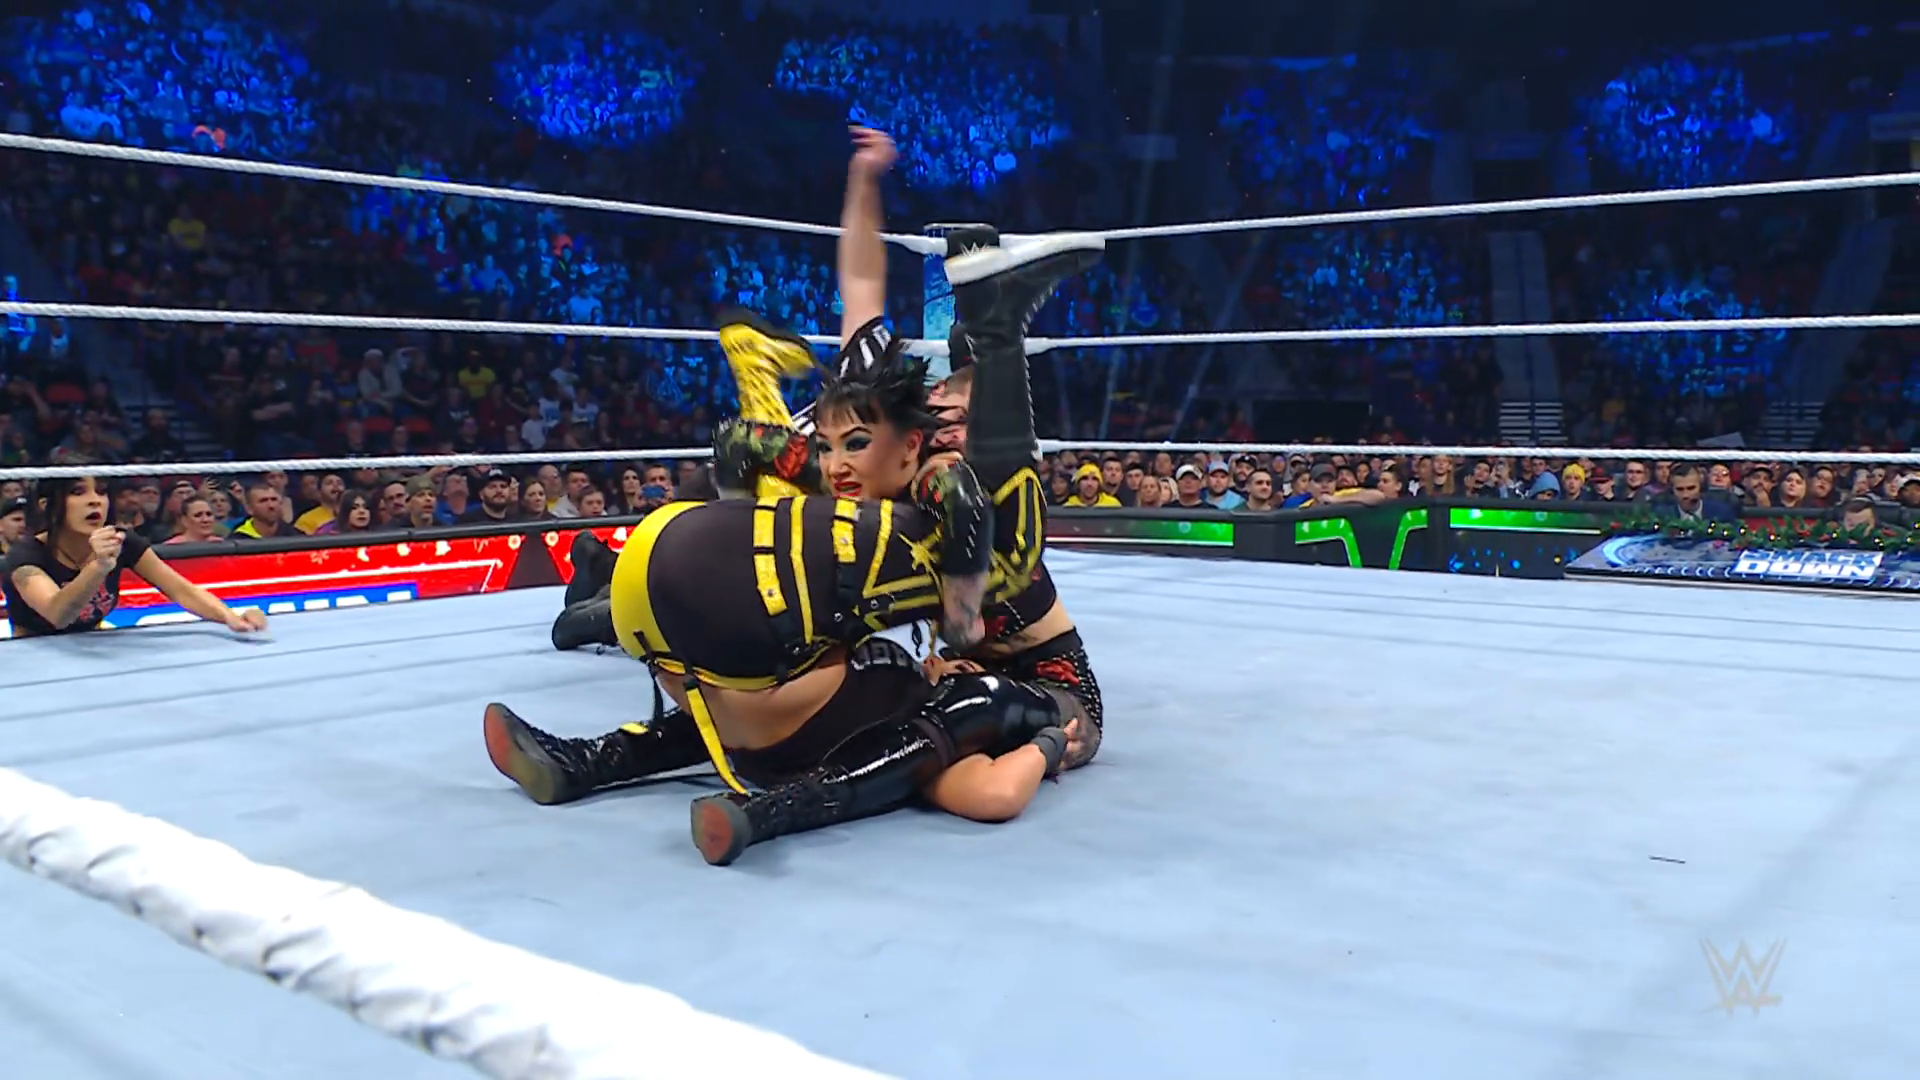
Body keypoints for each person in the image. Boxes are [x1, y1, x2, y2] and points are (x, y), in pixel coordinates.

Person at [490, 226, 1102, 865]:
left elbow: (987, 518)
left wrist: (953, 640)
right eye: (942, 406)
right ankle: (591, 758)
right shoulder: (872, 475)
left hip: (1049, 692)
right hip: (939, 671)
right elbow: (765, 451)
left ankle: (777, 809)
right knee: (773, 695)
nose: (947, 418)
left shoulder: (958, 493)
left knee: (958, 705)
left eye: (961, 413)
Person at [3, 477, 270, 638]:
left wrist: (229, 616)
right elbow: (58, 616)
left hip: (95, 648)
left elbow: (180, 589)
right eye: (78, 492)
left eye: (101, 491)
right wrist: (97, 567)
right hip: (38, 653)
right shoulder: (26, 556)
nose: (95, 501)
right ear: (48, 505)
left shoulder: (121, 541)